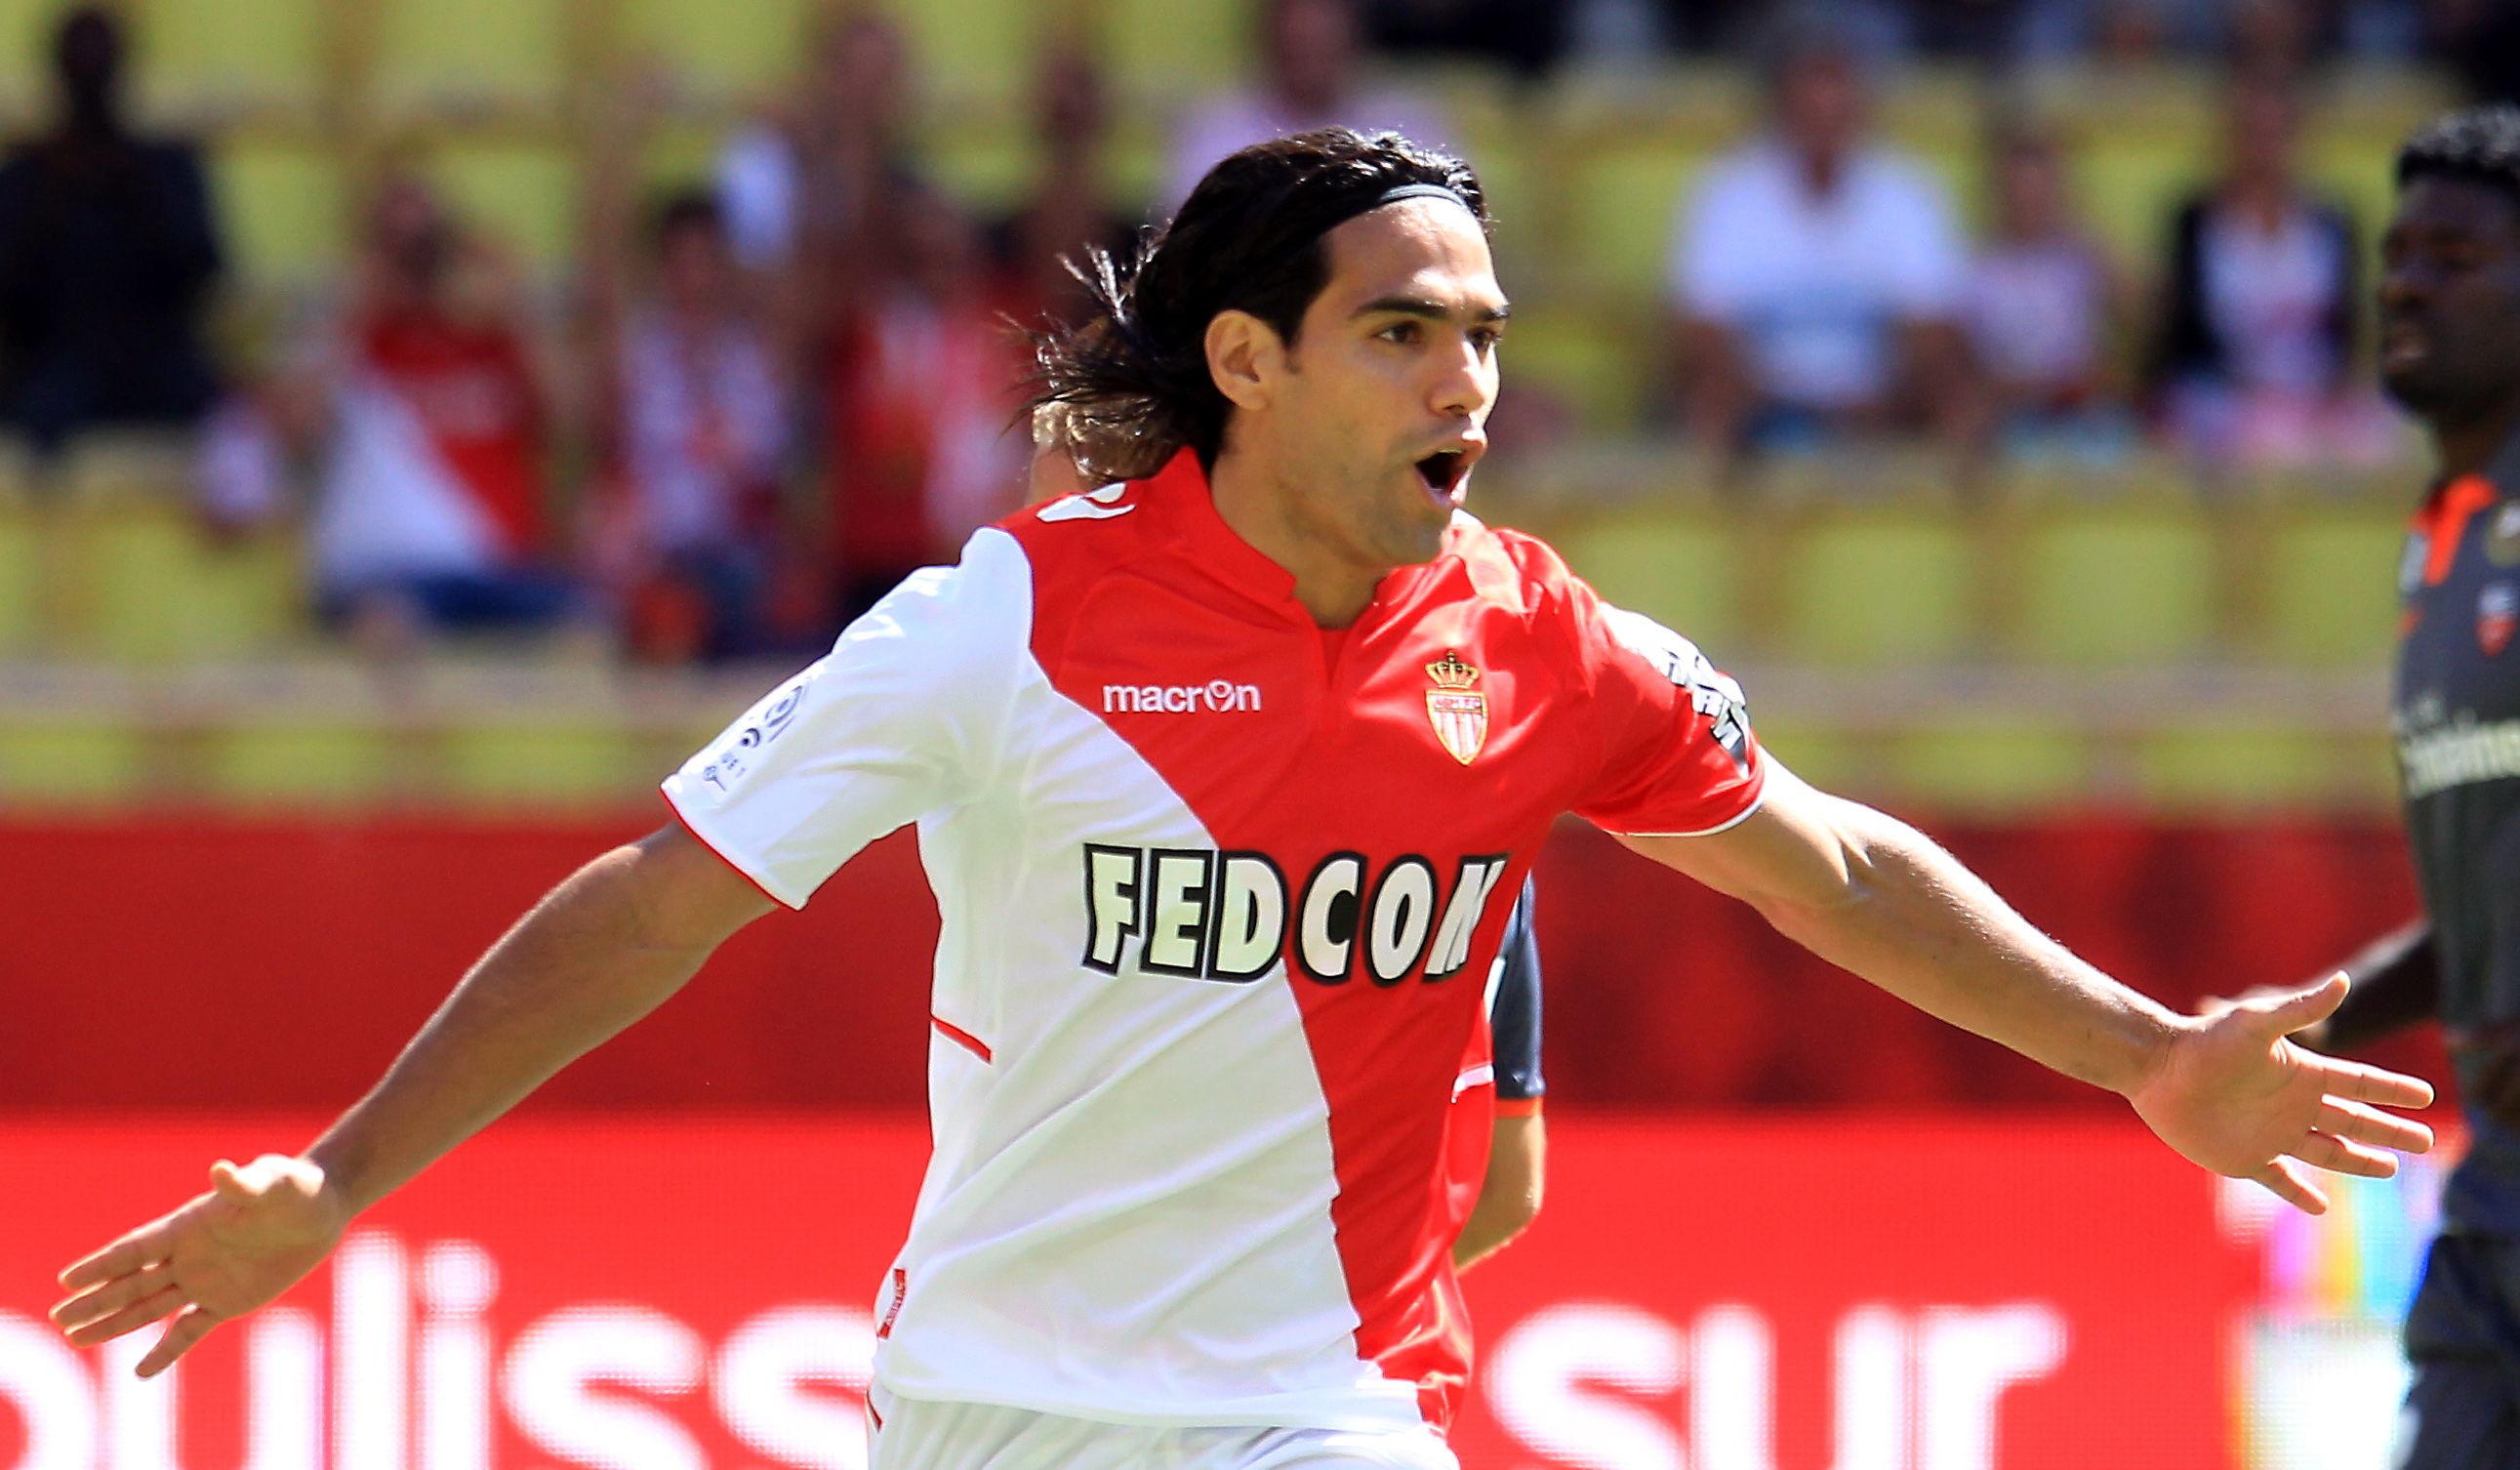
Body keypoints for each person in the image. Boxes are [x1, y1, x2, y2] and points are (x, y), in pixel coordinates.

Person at [52, 130, 2432, 1470]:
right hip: (983, 1402)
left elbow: (1818, 864)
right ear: (1243, 358)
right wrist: (339, 1177)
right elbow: (656, 904)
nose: (1465, 376)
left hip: (1322, 1408)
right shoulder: (1004, 619)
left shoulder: (1539, 636)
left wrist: (2138, 1053)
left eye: (1485, 331)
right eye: (1405, 328)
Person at [2213, 104, 2520, 1467]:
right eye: (2397, 253)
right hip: (2491, 1197)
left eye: (2454, 256)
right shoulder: (2441, 542)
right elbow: (2484, 918)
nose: (2403, 279)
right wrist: (2301, 1029)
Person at [1665, 17, 1983, 471]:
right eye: (1809, 111)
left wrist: (1879, 400)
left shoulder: (1907, 191)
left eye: (1835, 110)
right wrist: (1777, 395)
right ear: (1782, 109)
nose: (1823, 126)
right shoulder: (1730, 191)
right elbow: (1702, 328)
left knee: (1959, 398)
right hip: (1762, 398)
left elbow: (1932, 329)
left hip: (1883, 397)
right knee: (1705, 398)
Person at [0, 5, 223, 458]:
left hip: (157, 364)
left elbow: (202, 268)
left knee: (227, 427)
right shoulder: (27, 178)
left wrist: (136, 189)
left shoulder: (165, 168)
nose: (90, 67)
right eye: (79, 55)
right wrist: (53, 199)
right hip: (59, 368)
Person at [2144, 67, 2393, 470]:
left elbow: (2346, 326)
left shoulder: (2331, 221)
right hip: (2225, 393)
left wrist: (2332, 388)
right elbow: (2180, 334)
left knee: (2375, 441)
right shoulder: (2196, 221)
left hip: (2313, 392)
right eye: (2252, 133)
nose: (2263, 148)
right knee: (2261, 443)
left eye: (2275, 134)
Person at [1164, 0, 1451, 209]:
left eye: (1319, 43)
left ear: (1352, 41)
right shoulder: (1216, 129)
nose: (1309, 58)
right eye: (1297, 45)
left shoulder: (1408, 127)